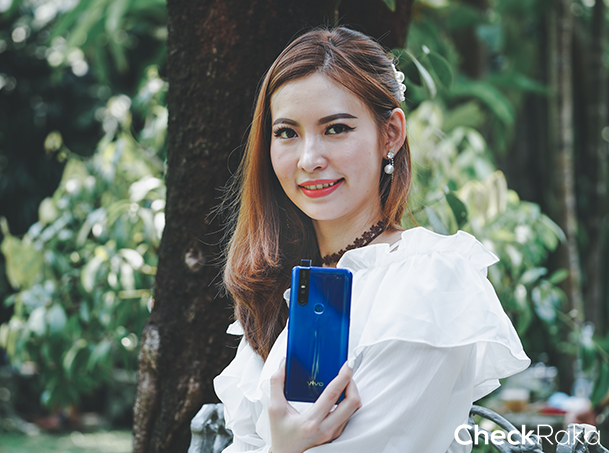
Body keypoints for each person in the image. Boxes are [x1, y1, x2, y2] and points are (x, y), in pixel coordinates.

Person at [213, 27, 530, 453]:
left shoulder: (428, 282)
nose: (309, 159)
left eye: (336, 128)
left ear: (391, 134)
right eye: (287, 132)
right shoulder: (285, 287)